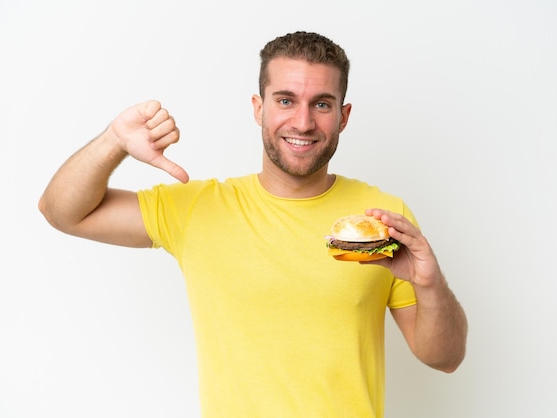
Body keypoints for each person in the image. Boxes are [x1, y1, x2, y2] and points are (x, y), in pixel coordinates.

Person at [39, 31, 467, 417]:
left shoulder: (381, 219)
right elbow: (62, 211)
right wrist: (115, 141)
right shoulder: (198, 209)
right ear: (258, 108)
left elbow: (444, 357)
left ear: (344, 115)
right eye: (285, 100)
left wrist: (429, 284)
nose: (303, 122)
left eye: (322, 104)